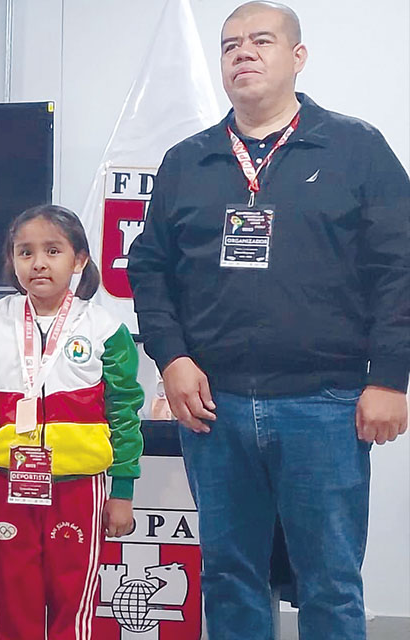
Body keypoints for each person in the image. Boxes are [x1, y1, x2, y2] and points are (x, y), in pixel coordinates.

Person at [127, 3, 410, 638]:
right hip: (214, 407)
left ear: (297, 57)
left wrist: (391, 377)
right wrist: (170, 357)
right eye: (230, 45)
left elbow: (400, 268)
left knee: (330, 583)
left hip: (328, 404)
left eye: (261, 41)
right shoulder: (186, 161)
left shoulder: (355, 148)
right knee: (228, 576)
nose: (243, 53)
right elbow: (149, 268)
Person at [0, 205, 143, 640]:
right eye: (24, 252)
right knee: (13, 596)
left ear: (80, 260)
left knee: (74, 597)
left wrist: (123, 490)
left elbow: (125, 412)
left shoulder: (105, 327)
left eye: (52, 251)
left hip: (80, 486)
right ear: (12, 261)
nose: (37, 263)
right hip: (6, 479)